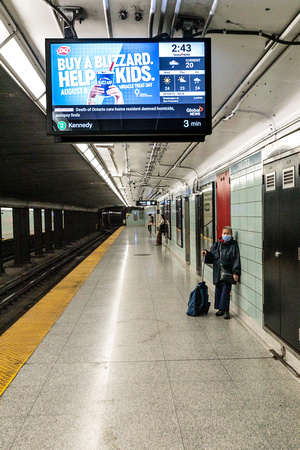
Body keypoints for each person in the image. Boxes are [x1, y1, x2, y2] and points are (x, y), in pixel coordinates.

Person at [201, 226, 241, 319]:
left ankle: (226, 310)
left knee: (226, 290)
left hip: (227, 271)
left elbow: (236, 259)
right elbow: (212, 255)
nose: (225, 235)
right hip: (217, 270)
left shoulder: (233, 245)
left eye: (228, 233)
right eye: (224, 233)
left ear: (231, 235)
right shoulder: (217, 245)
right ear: (221, 234)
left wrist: (236, 272)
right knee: (218, 289)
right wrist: (206, 253)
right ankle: (220, 309)